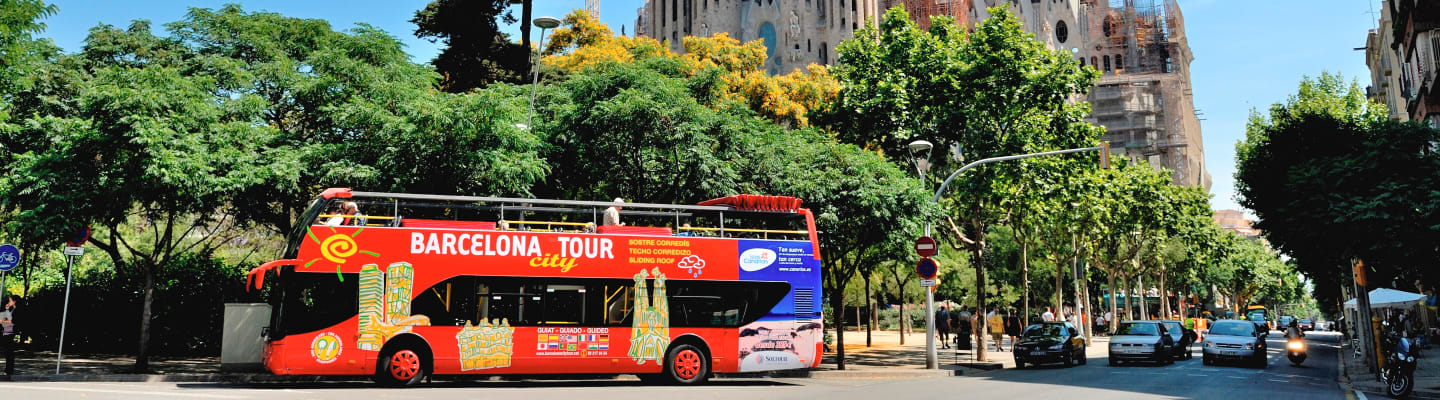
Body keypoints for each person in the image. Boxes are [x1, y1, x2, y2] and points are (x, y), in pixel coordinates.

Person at [1, 295, 17, 376]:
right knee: (7, 353)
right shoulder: (10, 310)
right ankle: (7, 369)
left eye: (10, 301)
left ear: (14, 302)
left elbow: (11, 321)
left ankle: (9, 370)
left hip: (10, 334)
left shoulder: (16, 311)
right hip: (6, 333)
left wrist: (3, 321)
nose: (8, 302)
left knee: (9, 353)